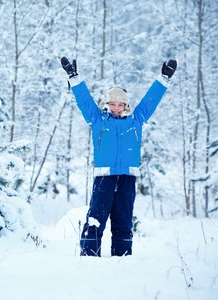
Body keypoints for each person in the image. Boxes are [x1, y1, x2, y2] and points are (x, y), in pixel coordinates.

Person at [61, 57, 177, 257]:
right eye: (112, 103)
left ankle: (122, 259)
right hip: (103, 177)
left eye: (120, 104)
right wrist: (74, 78)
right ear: (107, 104)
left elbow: (151, 101)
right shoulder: (97, 120)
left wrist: (164, 78)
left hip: (127, 177)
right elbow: (84, 100)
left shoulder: (136, 120)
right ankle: (89, 257)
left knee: (123, 220)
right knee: (96, 218)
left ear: (126, 105)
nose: (116, 107)